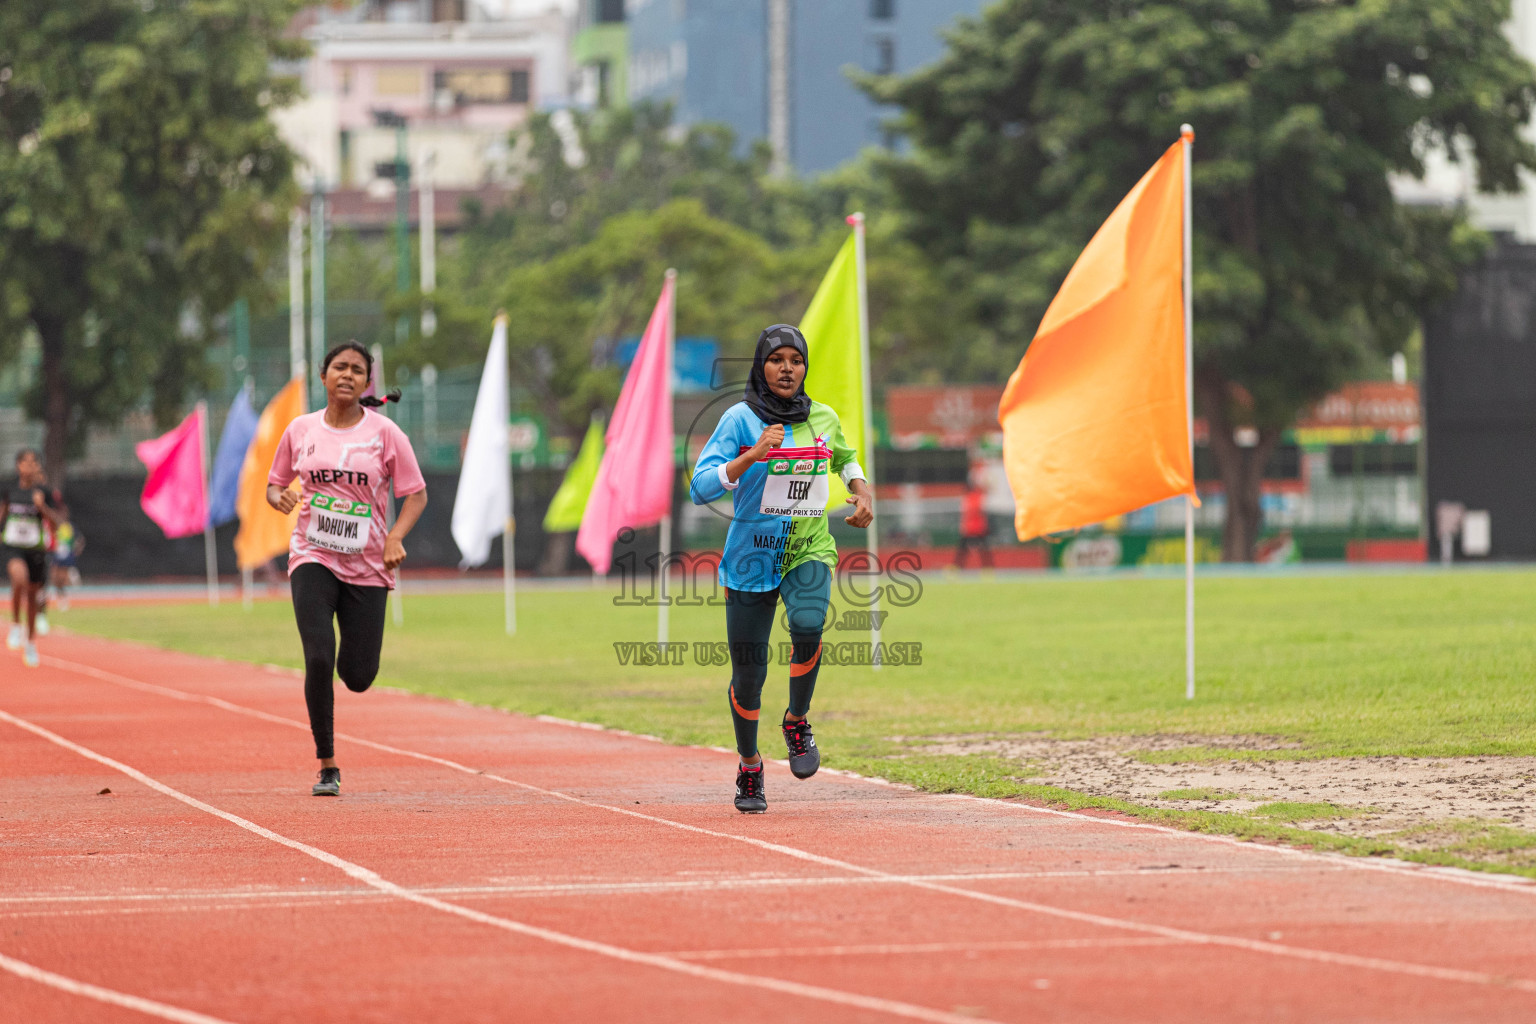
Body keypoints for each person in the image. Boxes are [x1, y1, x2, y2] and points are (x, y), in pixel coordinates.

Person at [690, 324, 874, 813]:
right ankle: (750, 765)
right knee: (749, 678)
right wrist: (751, 456)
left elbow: (846, 458)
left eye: (796, 359)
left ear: (805, 367)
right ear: (761, 366)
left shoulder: (823, 418)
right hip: (751, 557)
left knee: (810, 624)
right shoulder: (738, 419)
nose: (787, 368)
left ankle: (796, 720)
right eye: (777, 359)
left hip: (808, 548)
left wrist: (860, 490)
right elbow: (700, 485)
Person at [266, 342, 426, 797]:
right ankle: (327, 763)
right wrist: (281, 499)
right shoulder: (300, 430)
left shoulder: (386, 434)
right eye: (340, 367)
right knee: (318, 654)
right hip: (312, 554)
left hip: (368, 563)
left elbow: (416, 493)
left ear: (366, 383)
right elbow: (275, 487)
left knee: (357, 676)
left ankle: (346, 660)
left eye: (357, 370)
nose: (348, 375)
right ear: (324, 377)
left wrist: (395, 538)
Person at [2, 450, 64, 668]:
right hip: (12, 547)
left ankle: (30, 642)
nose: (29, 466)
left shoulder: (43, 492)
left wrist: (41, 507)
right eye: (25, 462)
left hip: (35, 549)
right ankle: (16, 625)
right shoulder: (8, 488)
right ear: (18, 465)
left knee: (32, 594)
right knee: (19, 579)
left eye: (33, 462)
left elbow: (58, 522)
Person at [953, 472, 993, 569]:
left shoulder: (977, 496)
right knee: (962, 551)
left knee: (983, 551)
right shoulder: (970, 497)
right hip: (971, 528)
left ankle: (988, 568)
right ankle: (956, 568)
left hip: (978, 528)